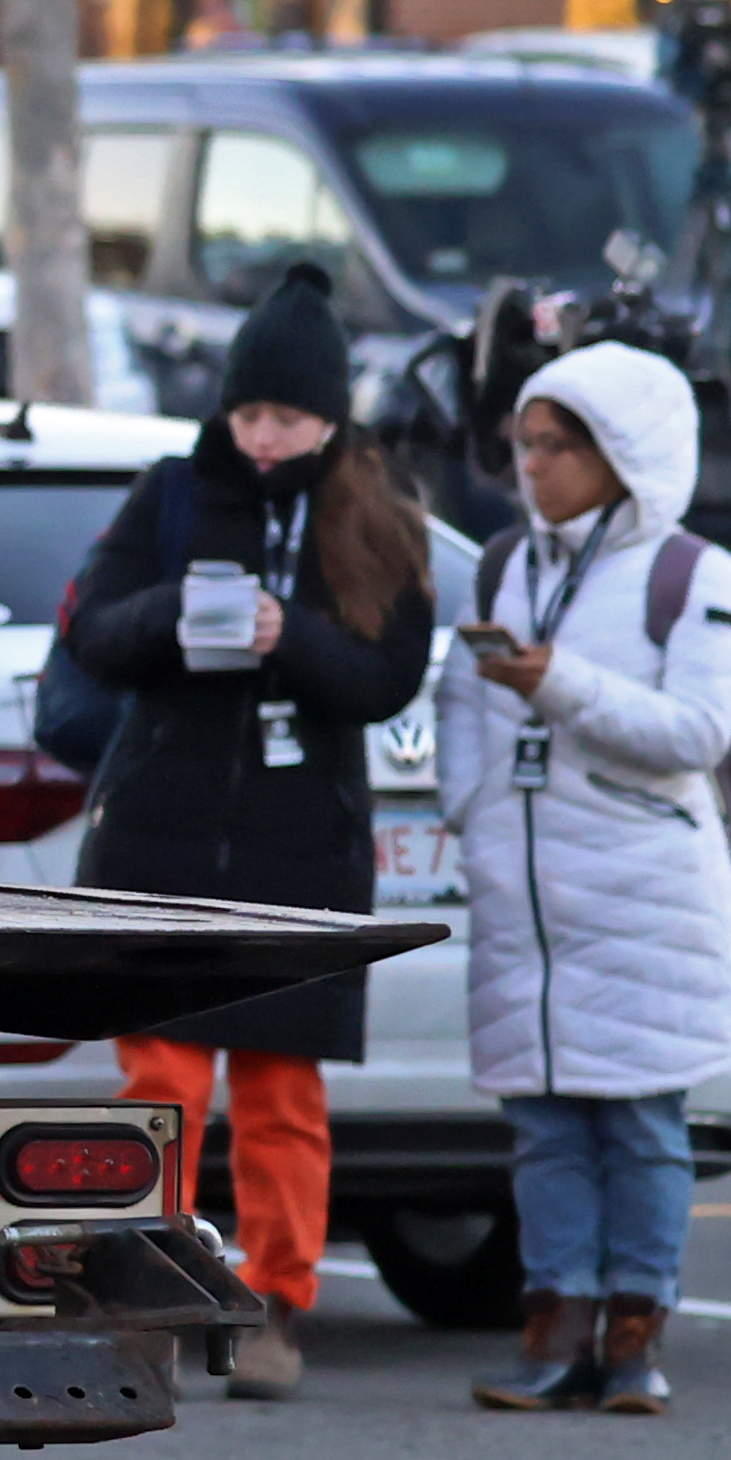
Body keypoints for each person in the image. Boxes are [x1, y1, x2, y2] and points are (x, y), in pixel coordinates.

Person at [56, 265, 432, 1398]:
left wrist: (290, 638)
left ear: (331, 417)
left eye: (290, 417)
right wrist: (180, 613)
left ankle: (276, 1301)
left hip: (299, 849)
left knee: (281, 1095)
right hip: (163, 833)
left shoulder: (372, 508)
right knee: (160, 1078)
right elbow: (93, 630)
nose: (266, 438)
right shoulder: (172, 490)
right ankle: (139, 1274)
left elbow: (387, 675)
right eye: (251, 413)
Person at [445, 341, 731, 1416]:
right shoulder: (502, 564)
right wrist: (468, 806)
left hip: (642, 897)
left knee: (639, 1126)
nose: (534, 466)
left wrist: (559, 684)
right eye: (525, 444)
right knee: (543, 1131)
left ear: (624, 451)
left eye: (559, 445)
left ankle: (636, 1331)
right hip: (526, 899)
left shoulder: (693, 573)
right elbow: (461, 702)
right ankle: (554, 1325)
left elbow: (698, 732)